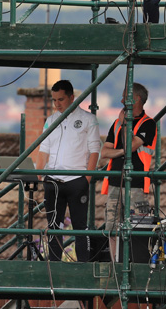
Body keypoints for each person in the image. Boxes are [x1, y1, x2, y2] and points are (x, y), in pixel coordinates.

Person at [37, 80, 101, 262]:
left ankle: (83, 270)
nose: (57, 104)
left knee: (80, 227)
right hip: (52, 182)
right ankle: (54, 269)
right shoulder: (50, 120)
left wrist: (87, 179)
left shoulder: (89, 119)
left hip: (77, 181)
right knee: (53, 227)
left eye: (61, 99)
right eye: (54, 100)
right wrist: (41, 176)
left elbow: (95, 150)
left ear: (72, 97)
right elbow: (43, 150)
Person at [99, 82, 157, 259]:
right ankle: (116, 267)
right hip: (115, 182)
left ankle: (135, 265)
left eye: (125, 96)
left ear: (136, 99)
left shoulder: (148, 124)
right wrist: (121, 152)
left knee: (137, 227)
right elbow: (105, 152)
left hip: (136, 185)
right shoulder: (116, 123)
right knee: (112, 228)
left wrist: (125, 126)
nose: (121, 100)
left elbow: (130, 145)